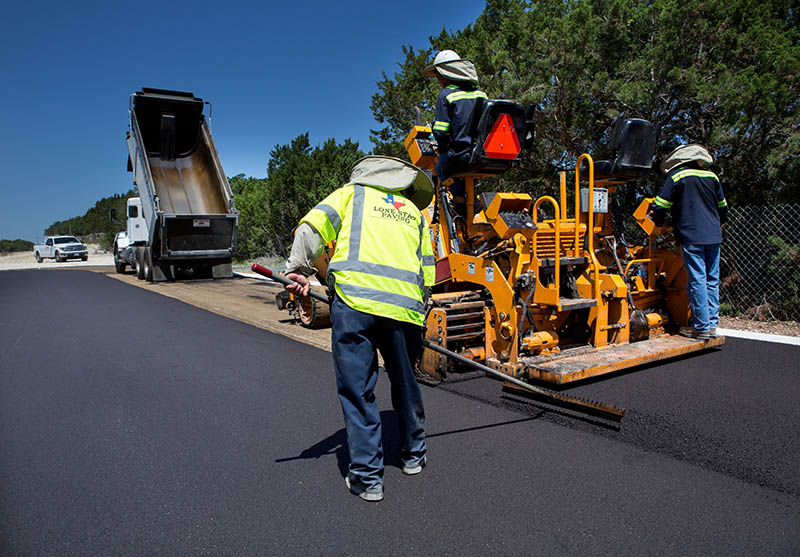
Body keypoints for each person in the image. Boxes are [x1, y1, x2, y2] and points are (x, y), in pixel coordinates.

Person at [284, 155, 436, 502]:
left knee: (357, 390)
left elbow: (310, 229)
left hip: (354, 306)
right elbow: (427, 269)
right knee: (405, 382)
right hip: (403, 311)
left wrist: (297, 268)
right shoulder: (415, 213)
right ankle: (414, 456)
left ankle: (368, 480)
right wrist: (421, 305)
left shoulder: (350, 195)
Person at [650, 144, 728, 340]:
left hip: (692, 236)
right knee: (712, 280)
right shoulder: (712, 177)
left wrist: (658, 222)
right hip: (713, 235)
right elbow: (723, 208)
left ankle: (701, 327)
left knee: (697, 280)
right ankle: (711, 325)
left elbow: (660, 205)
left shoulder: (678, 177)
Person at [422, 49, 487, 213]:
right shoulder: (481, 95)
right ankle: (471, 200)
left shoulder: (446, 95)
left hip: (459, 154)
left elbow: (441, 131)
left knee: (441, 166)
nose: (438, 80)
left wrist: (442, 148)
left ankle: (459, 200)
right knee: (469, 172)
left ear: (446, 74)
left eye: (438, 76)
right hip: (482, 155)